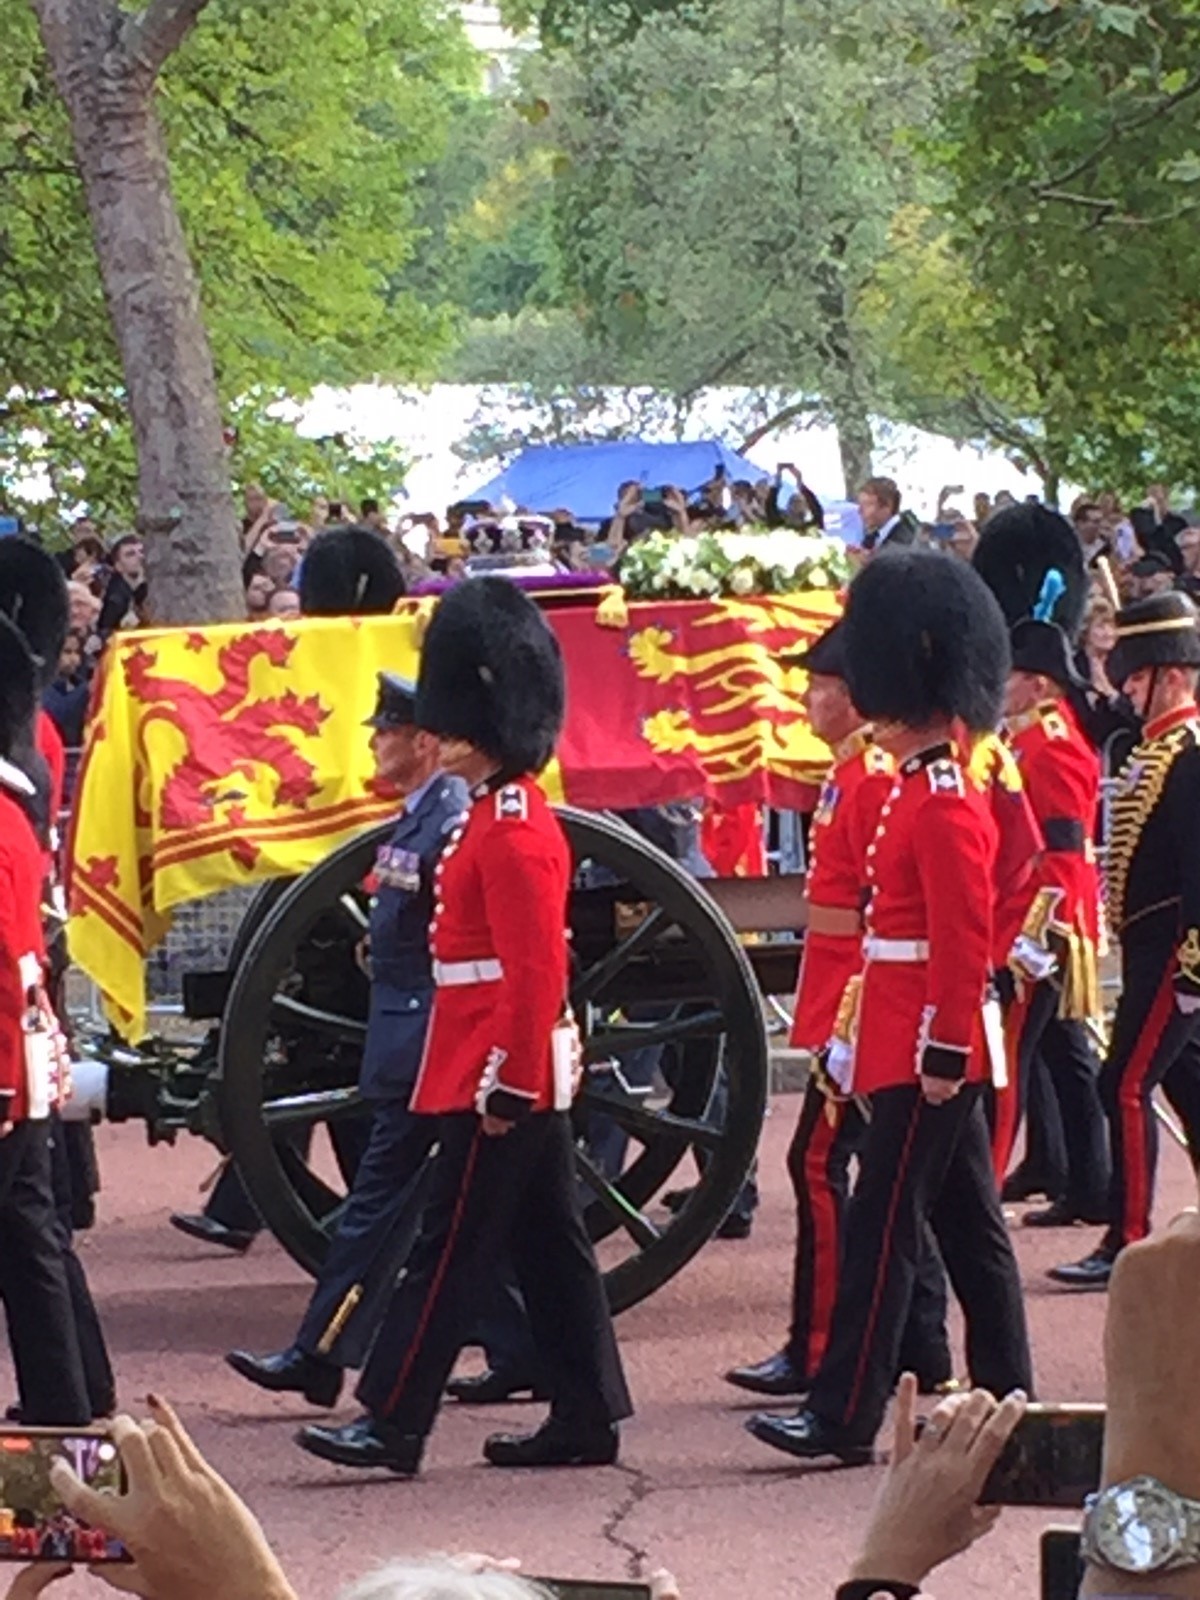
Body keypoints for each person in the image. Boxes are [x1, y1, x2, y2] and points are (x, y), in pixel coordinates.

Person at [297, 577, 631, 1476]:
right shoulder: (488, 817)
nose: (432, 731)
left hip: (498, 1068)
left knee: (446, 1250)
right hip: (479, 1053)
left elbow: (535, 974)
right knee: (550, 1243)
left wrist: (511, 1077)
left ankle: (394, 1420)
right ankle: (588, 1414)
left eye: (448, 717)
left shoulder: (515, 826)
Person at [747, 549, 1033, 1467]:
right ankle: (1009, 1398)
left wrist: (946, 1047)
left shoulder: (944, 798)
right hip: (902, 1036)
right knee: (968, 1229)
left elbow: (960, 941)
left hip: (924, 1049)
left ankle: (842, 1416)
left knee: (881, 1231)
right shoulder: (911, 788)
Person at [225, 674, 470, 1406]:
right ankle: (535, 1357)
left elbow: (457, 921)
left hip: (430, 1040)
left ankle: (325, 1357)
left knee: (385, 1205)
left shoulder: (448, 814)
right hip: (410, 1033)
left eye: (385, 730)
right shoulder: (421, 811)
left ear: (422, 742)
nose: (373, 740)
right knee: (497, 1216)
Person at [725, 621, 950, 1400]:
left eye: (817, 687)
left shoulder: (877, 781)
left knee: (824, 1167)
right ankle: (917, 1350)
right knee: (890, 1187)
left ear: (852, 698)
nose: (806, 699)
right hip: (842, 997)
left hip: (868, 1004)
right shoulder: (848, 778)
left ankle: (821, 1347)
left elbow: (880, 916)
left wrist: (848, 1021)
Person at [171, 525, 408, 1253]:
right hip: (329, 890)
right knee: (305, 1052)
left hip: (361, 895)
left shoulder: (345, 661)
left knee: (320, 1056)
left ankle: (360, 1225)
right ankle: (267, 1207)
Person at [1051, 590, 1200, 1289]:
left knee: (1126, 1080)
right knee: (1185, 1083)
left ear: (1170, 674)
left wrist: (1194, 964)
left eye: (1137, 677)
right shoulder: (1158, 746)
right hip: (1151, 946)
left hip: (1176, 949)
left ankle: (1129, 1236)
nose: (1127, 689)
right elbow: (1094, 712)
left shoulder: (1190, 751)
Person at [972, 504, 1110, 1222]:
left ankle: (1000, 1179)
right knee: (1063, 1058)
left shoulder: (1049, 744)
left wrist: (1029, 934)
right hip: (1050, 915)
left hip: (1046, 921)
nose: (1005, 688)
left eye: (1015, 678)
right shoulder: (1033, 736)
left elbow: (1057, 851)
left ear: (1041, 684)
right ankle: (1073, 1174)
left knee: (1017, 1059)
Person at [0, 615, 92, 1427]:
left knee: (28, 1247)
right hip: (18, 1059)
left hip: (2, 1064)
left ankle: (64, 1413)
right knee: (29, 1244)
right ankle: (67, 1408)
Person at [856, 477, 915, 553]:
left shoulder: (904, 543)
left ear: (887, 507)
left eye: (867, 504)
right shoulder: (871, 538)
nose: (860, 510)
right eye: (860, 504)